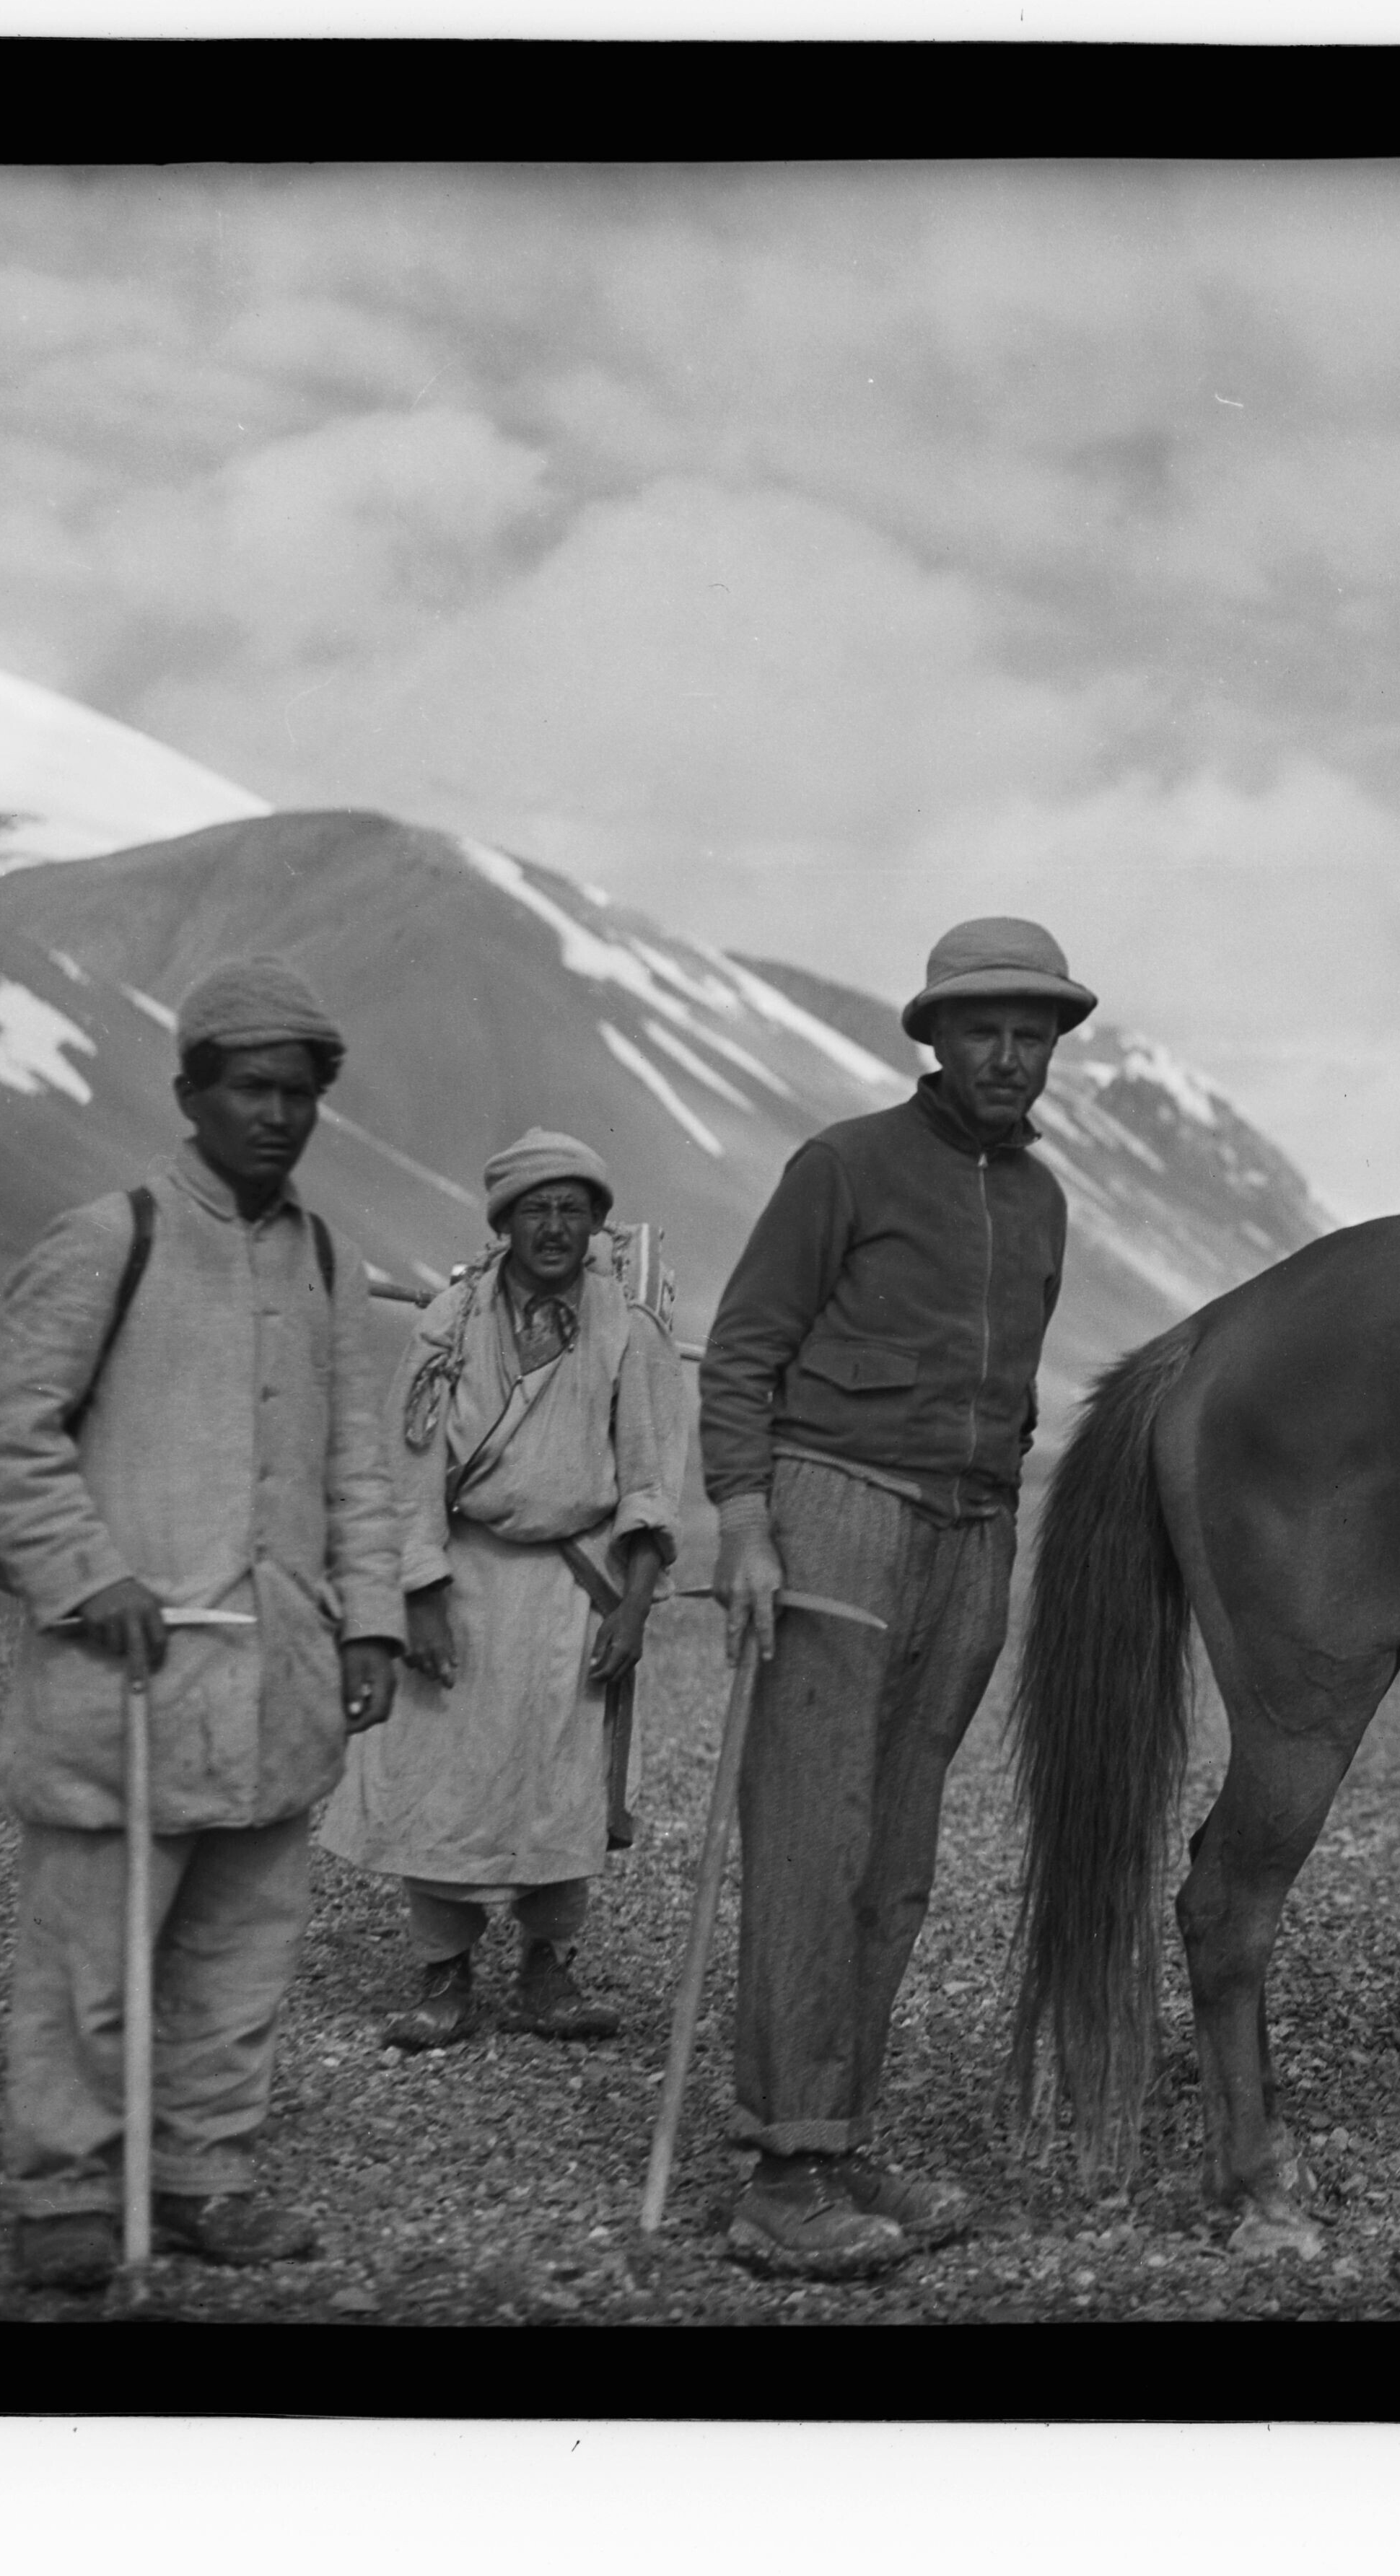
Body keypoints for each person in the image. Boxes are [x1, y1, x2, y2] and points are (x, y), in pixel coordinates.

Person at [0, 954, 408, 2293]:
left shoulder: (330, 1258)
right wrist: (88, 1574)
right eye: (252, 1088)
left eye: (300, 1093)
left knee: (241, 1954)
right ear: (191, 1092)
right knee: (91, 1960)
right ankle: (66, 2188)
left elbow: (356, 1465)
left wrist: (371, 1621)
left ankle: (207, 2175)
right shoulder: (112, 1237)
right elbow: (8, 1437)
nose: (278, 1115)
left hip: (277, 1676)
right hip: (127, 1676)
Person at [694, 916, 1086, 2279]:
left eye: (1033, 1033)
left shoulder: (1041, 1200)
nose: (1011, 1055)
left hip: (973, 1533)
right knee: (817, 1838)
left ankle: (839, 2136)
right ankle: (781, 2177)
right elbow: (743, 1349)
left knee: (898, 1857)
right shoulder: (844, 1164)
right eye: (985, 1030)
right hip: (837, 1515)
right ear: (934, 1037)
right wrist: (745, 1520)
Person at [323, 1129, 687, 2051]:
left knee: (562, 1782)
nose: (554, 1227)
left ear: (597, 1225)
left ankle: (546, 1971)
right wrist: (418, 1592)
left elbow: (651, 1480)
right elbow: (409, 1466)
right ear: (504, 1222)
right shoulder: (450, 1321)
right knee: (442, 1775)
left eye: (573, 1209)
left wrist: (635, 1607)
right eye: (535, 1209)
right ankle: (443, 1973)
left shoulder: (628, 1329)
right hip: (464, 1579)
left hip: (576, 1586)